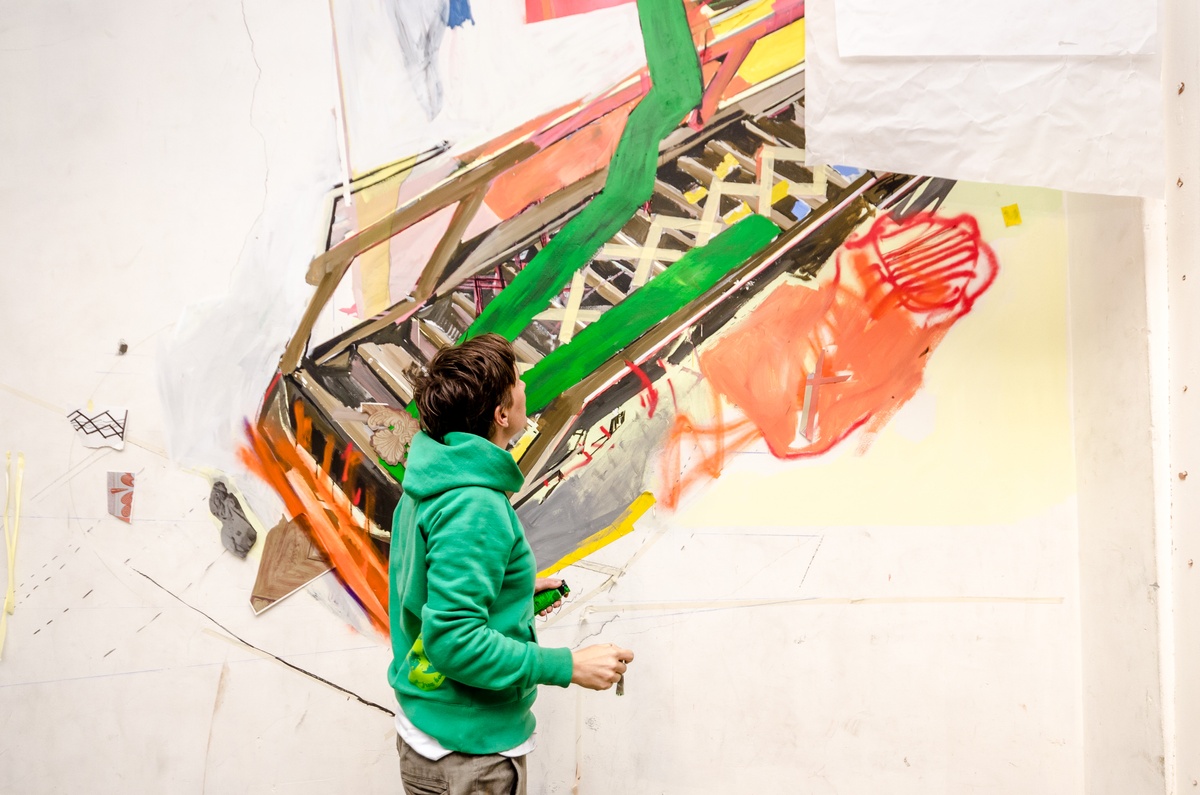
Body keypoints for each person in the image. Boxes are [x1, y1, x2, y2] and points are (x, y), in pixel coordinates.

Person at [388, 332, 634, 795]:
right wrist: (568, 666)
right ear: (502, 415)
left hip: (431, 730)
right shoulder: (473, 503)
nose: (526, 386)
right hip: (470, 755)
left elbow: (425, 586)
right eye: (518, 381)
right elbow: (454, 640)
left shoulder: (432, 480)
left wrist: (512, 589)